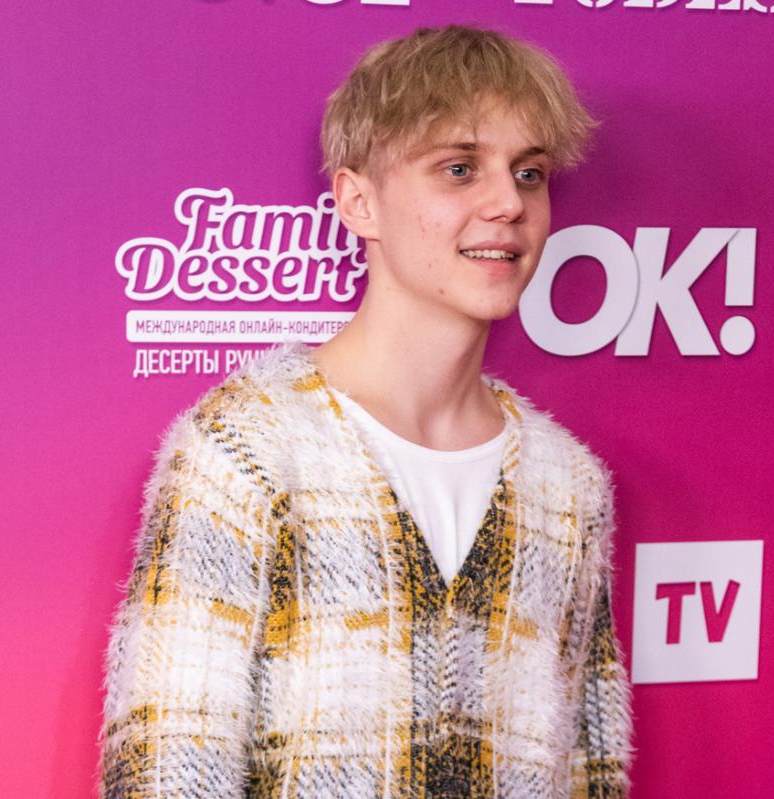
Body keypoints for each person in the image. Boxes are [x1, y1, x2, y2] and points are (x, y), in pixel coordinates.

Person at [98, 23, 634, 799]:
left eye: (529, 173)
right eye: (459, 168)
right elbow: (164, 772)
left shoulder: (568, 485)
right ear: (358, 201)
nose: (507, 203)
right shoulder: (246, 450)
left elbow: (593, 770)